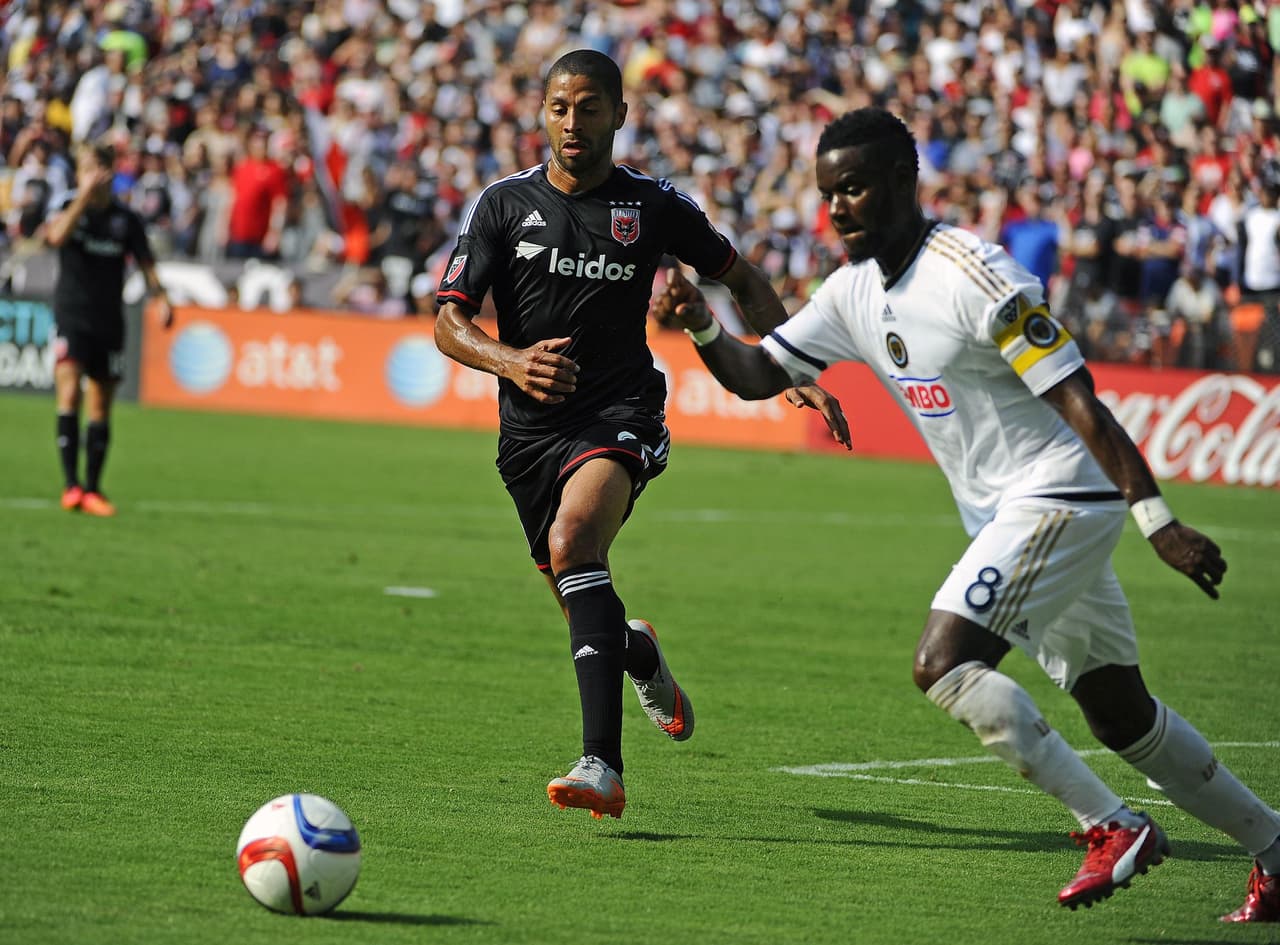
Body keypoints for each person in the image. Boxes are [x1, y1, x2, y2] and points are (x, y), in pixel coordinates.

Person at [657, 107, 1280, 922]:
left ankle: (1113, 824)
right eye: (827, 194)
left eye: (853, 188)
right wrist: (703, 317)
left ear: (902, 183)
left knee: (942, 661)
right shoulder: (850, 292)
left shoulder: (975, 275)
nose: (838, 207)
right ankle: (1273, 849)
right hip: (1011, 514)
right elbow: (750, 373)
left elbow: (1079, 399)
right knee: (1122, 713)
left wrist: (1157, 521)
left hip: (1062, 487)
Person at [433, 49, 837, 821]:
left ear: (619, 115)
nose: (572, 122)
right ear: (541, 113)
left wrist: (794, 369)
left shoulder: (652, 205)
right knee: (579, 594)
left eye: (589, 107)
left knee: (576, 539)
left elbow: (743, 278)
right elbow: (449, 318)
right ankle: (639, 651)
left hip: (621, 410)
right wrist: (511, 361)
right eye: (559, 107)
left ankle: (602, 766)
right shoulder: (501, 204)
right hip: (527, 432)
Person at [45, 141, 173, 516]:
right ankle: (71, 486)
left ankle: (94, 489)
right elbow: (55, 238)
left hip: (109, 319)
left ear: (110, 173)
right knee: (68, 392)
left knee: (101, 403)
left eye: (97, 171)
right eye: (84, 170)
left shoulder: (126, 220)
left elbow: (147, 263)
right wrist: (82, 199)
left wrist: (162, 297)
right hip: (72, 315)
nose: (91, 177)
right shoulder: (69, 209)